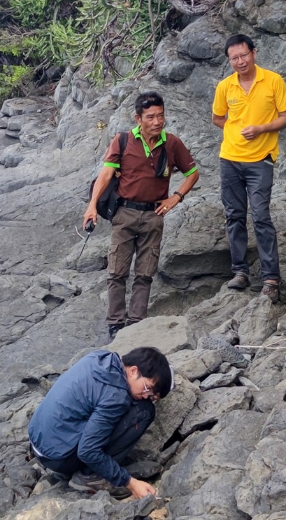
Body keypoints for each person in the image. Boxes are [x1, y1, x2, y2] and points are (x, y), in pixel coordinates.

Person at [84, 92, 200, 340]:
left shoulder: (172, 143)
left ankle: (137, 321)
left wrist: (176, 197)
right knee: (117, 271)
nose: (157, 122)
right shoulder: (123, 140)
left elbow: (192, 173)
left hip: (154, 215)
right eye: (150, 117)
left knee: (145, 272)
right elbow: (106, 174)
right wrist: (92, 205)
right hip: (124, 213)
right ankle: (115, 323)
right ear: (138, 118)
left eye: (160, 116)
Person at [28, 346, 172, 499]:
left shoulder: (100, 357)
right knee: (145, 410)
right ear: (133, 371)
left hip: (38, 442)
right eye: (147, 388)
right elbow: (88, 451)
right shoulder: (116, 397)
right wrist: (129, 482)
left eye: (151, 395)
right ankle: (91, 477)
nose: (146, 396)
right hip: (58, 458)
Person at [212, 34, 286, 303]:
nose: (240, 61)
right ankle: (240, 272)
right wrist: (234, 130)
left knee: (260, 215)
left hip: (261, 159)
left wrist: (261, 129)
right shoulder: (225, 86)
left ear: (254, 53)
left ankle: (271, 279)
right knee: (234, 215)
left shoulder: (273, 80)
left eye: (243, 55)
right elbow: (218, 118)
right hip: (230, 159)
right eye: (234, 58)